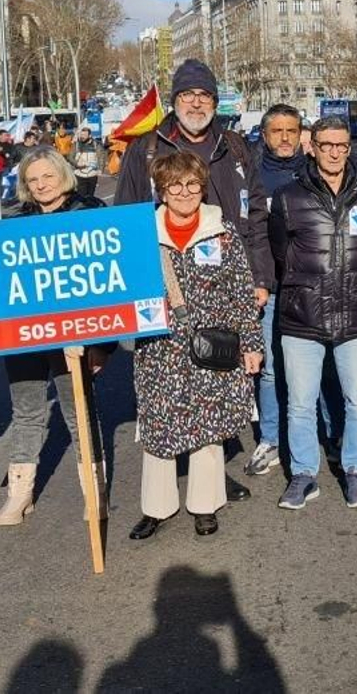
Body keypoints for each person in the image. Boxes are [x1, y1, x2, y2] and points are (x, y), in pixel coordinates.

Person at [114, 58, 272, 504]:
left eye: (204, 96)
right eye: (187, 95)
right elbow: (124, 221)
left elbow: (255, 216)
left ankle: (211, 480)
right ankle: (160, 494)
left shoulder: (237, 147)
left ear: (214, 103)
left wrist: (259, 277)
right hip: (161, 288)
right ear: (175, 101)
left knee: (214, 383)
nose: (196, 103)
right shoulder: (146, 148)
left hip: (221, 283)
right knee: (162, 388)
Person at [0, 146, 111, 526]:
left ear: (63, 175)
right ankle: (19, 493)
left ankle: (94, 489)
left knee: (78, 412)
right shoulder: (10, 218)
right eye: (33, 179)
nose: (42, 185)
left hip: (74, 333)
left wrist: (102, 347)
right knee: (26, 410)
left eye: (48, 176)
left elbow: (111, 284)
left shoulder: (90, 213)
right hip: (24, 331)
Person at [128, 152, 264, 541]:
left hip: (212, 346)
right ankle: (156, 508)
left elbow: (241, 289)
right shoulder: (142, 232)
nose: (184, 192)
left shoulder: (220, 228)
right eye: (174, 185)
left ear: (202, 187)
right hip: (159, 349)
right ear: (162, 190)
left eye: (191, 184)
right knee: (158, 427)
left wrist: (251, 343)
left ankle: (205, 506)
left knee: (208, 425)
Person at [269, 117, 357, 509]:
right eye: (327, 145)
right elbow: (279, 251)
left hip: (356, 312)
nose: (335, 152)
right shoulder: (288, 197)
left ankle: (355, 471)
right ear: (313, 147)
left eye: (342, 145)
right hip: (303, 314)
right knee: (300, 403)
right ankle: (304, 474)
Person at [246, 104, 308, 477]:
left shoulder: (316, 170)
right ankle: (270, 437)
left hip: (309, 288)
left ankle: (324, 434)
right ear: (265, 136)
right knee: (270, 369)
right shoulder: (253, 175)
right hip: (268, 289)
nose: (285, 138)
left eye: (291, 130)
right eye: (276, 131)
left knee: (316, 367)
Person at [68, 126, 106, 199]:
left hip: (92, 175)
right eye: (81, 135)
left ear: (90, 135)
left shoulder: (96, 145)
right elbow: (70, 157)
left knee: (90, 197)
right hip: (79, 174)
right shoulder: (76, 145)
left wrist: (101, 169)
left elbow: (101, 157)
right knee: (81, 197)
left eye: (85, 135)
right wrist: (76, 164)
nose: (82, 137)